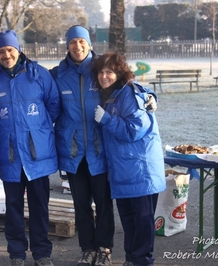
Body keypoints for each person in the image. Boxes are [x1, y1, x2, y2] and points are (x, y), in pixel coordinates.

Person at [50, 25, 157, 266]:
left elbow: (129, 84)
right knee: (81, 204)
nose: (77, 46)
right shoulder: (57, 74)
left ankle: (104, 249)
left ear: (88, 44)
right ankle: (87, 248)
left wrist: (151, 95)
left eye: (81, 41)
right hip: (74, 151)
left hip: (101, 149)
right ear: (66, 46)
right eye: (72, 42)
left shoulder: (102, 68)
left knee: (104, 203)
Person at [0, 30, 61, 266]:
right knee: (13, 207)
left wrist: (40, 129)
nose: (6, 55)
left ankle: (42, 254)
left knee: (39, 207)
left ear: (18, 50)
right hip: (10, 154)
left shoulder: (38, 74)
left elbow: (54, 104)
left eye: (10, 50)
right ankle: (16, 254)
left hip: (38, 155)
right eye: (1, 51)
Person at [91, 51, 166, 266]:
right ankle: (132, 259)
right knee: (129, 219)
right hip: (124, 170)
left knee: (141, 221)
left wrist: (107, 120)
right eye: (100, 72)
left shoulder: (128, 94)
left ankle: (141, 261)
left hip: (140, 171)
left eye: (109, 72)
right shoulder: (112, 95)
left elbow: (134, 130)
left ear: (120, 73)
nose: (104, 76)